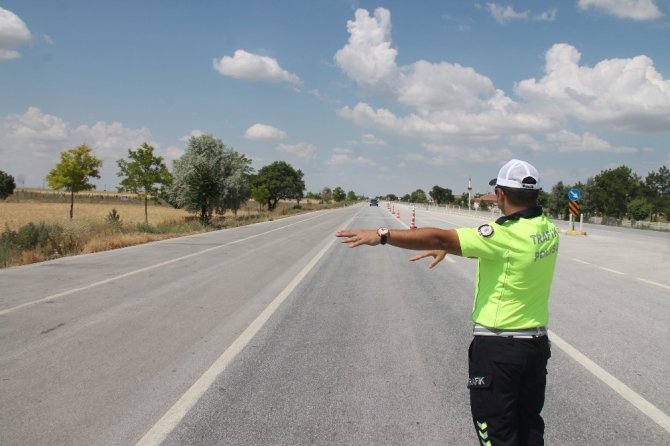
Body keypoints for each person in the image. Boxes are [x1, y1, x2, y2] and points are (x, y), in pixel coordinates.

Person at [336, 159, 559, 446]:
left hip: (500, 349)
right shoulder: (546, 229)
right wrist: (450, 250)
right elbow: (508, 257)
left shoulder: (503, 234)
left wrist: (382, 235)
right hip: (535, 346)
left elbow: (441, 235)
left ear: (500, 194)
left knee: (496, 433)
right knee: (529, 427)